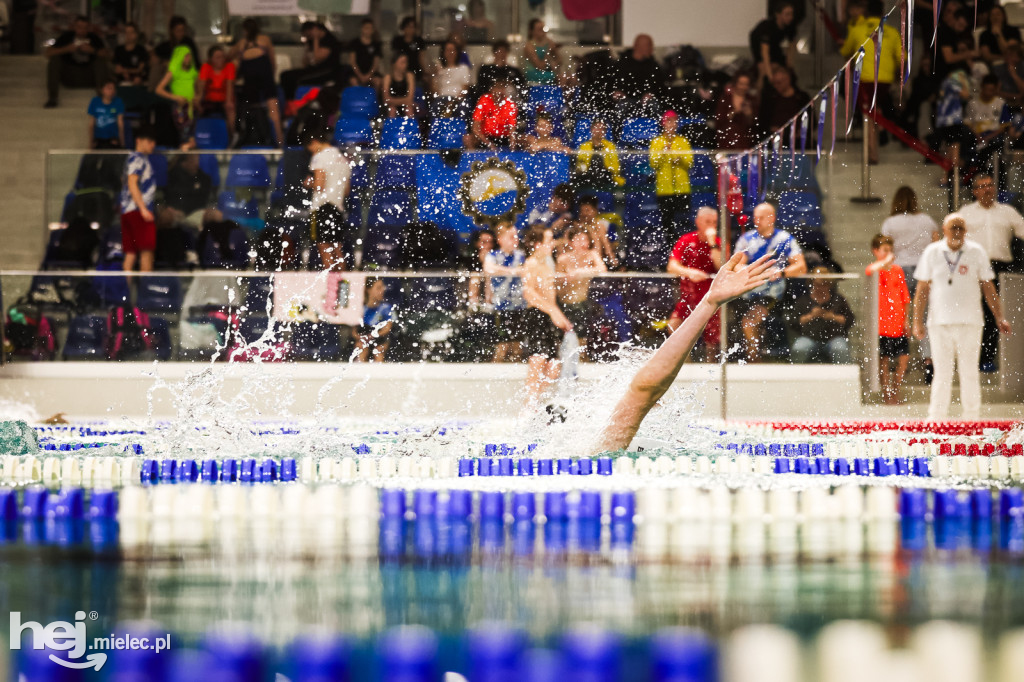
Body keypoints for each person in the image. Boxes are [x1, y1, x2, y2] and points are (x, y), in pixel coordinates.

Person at [593, 252, 779, 452]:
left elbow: (644, 390)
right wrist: (709, 304)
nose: (661, 399)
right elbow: (645, 388)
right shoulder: (607, 446)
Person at [912, 214, 1012, 419]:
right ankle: (937, 417)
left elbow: (988, 287)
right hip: (939, 322)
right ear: (944, 230)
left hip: (970, 321)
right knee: (942, 372)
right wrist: (916, 320)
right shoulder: (932, 252)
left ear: (966, 231)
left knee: (969, 371)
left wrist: (999, 316)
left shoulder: (977, 251)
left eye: (960, 228)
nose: (957, 232)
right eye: (953, 228)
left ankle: (972, 416)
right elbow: (922, 288)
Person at [957, 174, 1024, 371]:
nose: (987, 189)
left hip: (999, 267)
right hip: (973, 268)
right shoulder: (966, 212)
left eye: (990, 185)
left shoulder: (1008, 211)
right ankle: (971, 357)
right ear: (975, 191)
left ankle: (986, 358)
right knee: (973, 311)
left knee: (994, 313)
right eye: (982, 186)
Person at [734, 202, 808, 363]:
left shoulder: (785, 239)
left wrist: (781, 272)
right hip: (746, 292)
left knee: (750, 322)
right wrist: (754, 270)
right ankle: (754, 358)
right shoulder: (746, 239)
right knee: (747, 324)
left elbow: (801, 267)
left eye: (761, 218)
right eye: (755, 218)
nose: (757, 221)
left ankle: (754, 360)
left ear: (772, 218)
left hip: (773, 295)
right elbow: (736, 265)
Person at [840, 0, 903, 163]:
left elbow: (845, 51)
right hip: (884, 81)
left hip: (865, 79)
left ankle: (872, 153)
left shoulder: (857, 30)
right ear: (883, 13)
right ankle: (878, 134)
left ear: (867, 13)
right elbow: (902, 58)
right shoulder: (892, 32)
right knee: (874, 112)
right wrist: (896, 76)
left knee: (868, 115)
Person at [521, 226, 574, 408]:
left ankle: (535, 403)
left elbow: (549, 295)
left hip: (549, 314)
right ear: (537, 245)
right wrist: (552, 312)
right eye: (549, 240)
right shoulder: (531, 263)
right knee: (538, 361)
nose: (552, 244)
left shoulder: (547, 261)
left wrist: (558, 314)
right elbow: (528, 293)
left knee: (553, 365)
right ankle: (529, 406)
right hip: (537, 314)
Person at [666, 207, 722, 362]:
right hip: (688, 298)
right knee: (673, 326)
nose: (711, 226)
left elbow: (721, 266)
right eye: (708, 222)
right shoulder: (686, 240)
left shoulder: (719, 243)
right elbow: (672, 267)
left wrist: (712, 244)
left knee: (712, 342)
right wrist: (689, 272)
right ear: (698, 222)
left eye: (714, 223)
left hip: (711, 301)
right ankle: (685, 365)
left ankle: (712, 370)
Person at [866, 234, 912, 404]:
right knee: (883, 359)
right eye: (885, 250)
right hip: (881, 324)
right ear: (876, 251)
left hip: (897, 321)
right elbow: (870, 271)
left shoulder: (897, 270)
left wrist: (906, 320)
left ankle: (895, 389)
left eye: (890, 250)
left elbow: (905, 297)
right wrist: (885, 262)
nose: (889, 254)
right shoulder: (874, 269)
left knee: (904, 357)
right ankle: (886, 392)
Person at [302, 126, 352, 271]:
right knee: (337, 250)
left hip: (322, 208)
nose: (311, 151)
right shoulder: (343, 159)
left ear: (314, 142)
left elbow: (319, 185)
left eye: (310, 147)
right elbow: (346, 191)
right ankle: (343, 286)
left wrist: (308, 183)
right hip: (337, 209)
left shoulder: (319, 157)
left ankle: (331, 289)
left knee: (325, 251)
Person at [232, 17, 283, 147]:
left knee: (251, 108)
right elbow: (272, 62)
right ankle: (280, 142)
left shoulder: (242, 44)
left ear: (244, 30)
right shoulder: (265, 40)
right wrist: (270, 78)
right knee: (273, 109)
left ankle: (248, 138)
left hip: (250, 76)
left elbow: (228, 57)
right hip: (264, 73)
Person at [557, 224, 606, 351]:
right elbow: (557, 283)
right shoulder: (564, 259)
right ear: (571, 242)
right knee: (565, 342)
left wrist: (580, 272)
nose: (583, 243)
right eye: (579, 240)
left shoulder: (591, 255)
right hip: (565, 303)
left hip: (582, 303)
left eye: (585, 239)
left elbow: (602, 269)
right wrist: (567, 279)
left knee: (582, 341)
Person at [791, 267, 854, 364]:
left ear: (829, 285)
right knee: (799, 348)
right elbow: (794, 322)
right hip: (809, 337)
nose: (821, 288)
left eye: (824, 284)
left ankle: (844, 377)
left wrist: (831, 316)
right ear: (812, 284)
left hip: (834, 338)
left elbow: (849, 320)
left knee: (840, 349)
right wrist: (811, 316)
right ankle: (795, 376)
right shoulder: (804, 300)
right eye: (817, 284)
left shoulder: (838, 299)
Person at [483, 222, 527, 362]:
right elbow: (488, 269)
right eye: (511, 237)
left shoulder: (521, 255)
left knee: (517, 347)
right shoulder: (493, 256)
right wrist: (512, 272)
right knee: (501, 346)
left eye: (516, 236)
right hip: (500, 307)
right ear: (500, 239)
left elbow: (528, 270)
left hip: (519, 306)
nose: (515, 240)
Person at [44, 15, 109, 108]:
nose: (81, 31)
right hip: (70, 75)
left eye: (85, 28)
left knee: (100, 60)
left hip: (90, 76)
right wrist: (66, 49)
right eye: (79, 27)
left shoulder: (94, 38)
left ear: (88, 28)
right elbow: (48, 53)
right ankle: (52, 98)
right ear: (74, 27)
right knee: (55, 59)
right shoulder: (66, 37)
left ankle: (102, 96)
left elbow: (108, 55)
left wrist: (93, 51)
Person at [119, 127, 158, 274]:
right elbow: (132, 182)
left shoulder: (131, 159)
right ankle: (144, 294)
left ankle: (126, 292)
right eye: (149, 141)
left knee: (130, 254)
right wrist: (142, 208)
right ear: (139, 141)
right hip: (138, 211)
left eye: (153, 142)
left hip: (128, 211)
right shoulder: (137, 158)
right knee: (146, 253)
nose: (152, 145)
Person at [649, 110, 694, 236]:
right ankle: (670, 249)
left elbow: (690, 162)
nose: (672, 124)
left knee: (683, 222)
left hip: (682, 188)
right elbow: (654, 163)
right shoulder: (657, 142)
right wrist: (663, 153)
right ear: (663, 123)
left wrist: (678, 158)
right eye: (669, 121)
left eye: (675, 121)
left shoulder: (683, 141)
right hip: (664, 189)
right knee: (667, 223)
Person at [280, 21, 344, 102]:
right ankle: (287, 102)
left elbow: (317, 58)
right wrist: (307, 46)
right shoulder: (311, 42)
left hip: (327, 71)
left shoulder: (329, 40)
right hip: (313, 69)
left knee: (298, 80)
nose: (308, 37)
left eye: (309, 34)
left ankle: (295, 103)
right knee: (285, 75)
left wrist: (316, 39)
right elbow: (305, 63)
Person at [155, 45, 199, 149]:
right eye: (185, 56)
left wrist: (197, 97)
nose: (188, 58)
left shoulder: (193, 72)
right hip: (180, 108)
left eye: (189, 56)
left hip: (192, 107)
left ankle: (189, 160)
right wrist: (176, 98)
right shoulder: (173, 70)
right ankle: (182, 158)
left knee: (193, 136)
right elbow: (158, 89)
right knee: (184, 135)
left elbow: (197, 90)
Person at [759, 65, 811, 140]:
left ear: (788, 80)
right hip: (774, 140)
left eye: (779, 83)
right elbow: (762, 121)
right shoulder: (770, 98)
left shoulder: (802, 98)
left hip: (798, 140)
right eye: (774, 83)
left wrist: (801, 131)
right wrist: (770, 130)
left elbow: (811, 121)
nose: (776, 86)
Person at [613, 34, 667, 106]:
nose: (652, 48)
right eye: (648, 45)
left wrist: (651, 93)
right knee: (621, 106)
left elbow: (660, 86)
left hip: (647, 100)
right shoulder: (622, 63)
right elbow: (612, 83)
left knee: (654, 105)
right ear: (638, 46)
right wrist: (617, 92)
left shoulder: (653, 65)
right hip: (626, 99)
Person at [749, 0, 796, 83]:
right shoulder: (767, 27)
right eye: (787, 14)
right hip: (759, 47)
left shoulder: (791, 26)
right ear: (778, 15)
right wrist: (769, 76)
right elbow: (764, 52)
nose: (790, 17)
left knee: (784, 70)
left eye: (791, 14)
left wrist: (789, 65)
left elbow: (791, 46)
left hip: (774, 46)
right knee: (764, 70)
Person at [574, 120, 625, 192]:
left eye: (602, 128)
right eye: (596, 128)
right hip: (588, 176)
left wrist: (607, 169)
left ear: (605, 131)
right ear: (591, 129)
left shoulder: (610, 146)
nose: (599, 131)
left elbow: (615, 167)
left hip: (606, 176)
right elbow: (580, 164)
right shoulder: (584, 146)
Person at [466, 79, 519, 150]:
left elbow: (512, 129)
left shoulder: (510, 104)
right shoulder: (484, 100)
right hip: (486, 137)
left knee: (527, 139)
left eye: (502, 88)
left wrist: (512, 146)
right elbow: (475, 128)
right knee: (467, 138)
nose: (499, 91)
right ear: (491, 89)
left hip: (504, 138)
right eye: (497, 88)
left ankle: (518, 159)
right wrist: (489, 144)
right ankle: (473, 159)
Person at [197, 45, 236, 133]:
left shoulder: (229, 66)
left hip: (224, 99)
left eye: (222, 57)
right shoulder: (206, 67)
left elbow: (230, 85)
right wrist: (198, 100)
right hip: (209, 100)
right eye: (217, 57)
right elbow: (201, 86)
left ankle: (232, 134)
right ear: (210, 59)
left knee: (230, 108)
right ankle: (200, 133)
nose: (221, 60)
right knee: (196, 105)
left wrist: (228, 101)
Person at [353, 277, 393, 362]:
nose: (382, 291)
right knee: (361, 347)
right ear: (368, 290)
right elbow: (353, 330)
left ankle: (380, 373)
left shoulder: (386, 308)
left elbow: (387, 328)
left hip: (380, 337)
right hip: (364, 336)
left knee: (378, 351)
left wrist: (372, 336)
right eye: (378, 288)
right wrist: (361, 337)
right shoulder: (360, 308)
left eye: (383, 288)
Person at [715, 72, 758, 150]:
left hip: (745, 141)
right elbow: (719, 120)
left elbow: (755, 125)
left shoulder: (752, 100)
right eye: (741, 84)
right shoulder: (725, 98)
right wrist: (734, 112)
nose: (743, 87)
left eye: (746, 84)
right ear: (735, 84)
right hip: (726, 139)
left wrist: (749, 115)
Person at [575, 195, 619, 269]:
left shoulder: (602, 225)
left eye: (587, 210)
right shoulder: (575, 227)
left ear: (595, 211)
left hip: (599, 260)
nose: (584, 214)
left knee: (598, 233)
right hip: (579, 262)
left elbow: (609, 246)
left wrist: (612, 259)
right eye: (582, 211)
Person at [432, 39, 472, 114]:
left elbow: (465, 88)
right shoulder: (439, 69)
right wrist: (435, 76)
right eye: (448, 50)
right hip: (442, 98)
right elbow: (434, 91)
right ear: (443, 53)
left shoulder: (463, 68)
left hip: (458, 99)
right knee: (435, 106)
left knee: (462, 107)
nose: (450, 53)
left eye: (453, 50)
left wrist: (454, 102)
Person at [87, 79, 125, 149]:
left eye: (113, 88)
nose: (111, 91)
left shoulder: (118, 102)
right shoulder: (95, 101)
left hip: (113, 140)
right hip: (98, 140)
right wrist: (91, 142)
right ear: (102, 90)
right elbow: (91, 124)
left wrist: (122, 143)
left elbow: (120, 123)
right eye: (108, 88)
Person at [465, 228, 496, 307]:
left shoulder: (498, 258)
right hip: (472, 293)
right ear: (477, 243)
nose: (487, 246)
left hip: (494, 294)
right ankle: (473, 305)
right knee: (475, 277)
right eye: (484, 242)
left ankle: (489, 304)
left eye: (490, 242)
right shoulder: (470, 259)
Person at [391, 17, 428, 83]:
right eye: (408, 27)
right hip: (401, 70)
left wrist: (424, 72)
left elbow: (421, 58)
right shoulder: (397, 40)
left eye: (413, 27)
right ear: (403, 28)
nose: (410, 29)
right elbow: (394, 58)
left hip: (415, 69)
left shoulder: (419, 41)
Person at [524, 19, 560, 86]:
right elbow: (540, 67)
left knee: (571, 78)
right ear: (532, 31)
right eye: (539, 29)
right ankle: (559, 95)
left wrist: (554, 62)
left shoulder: (548, 42)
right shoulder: (529, 46)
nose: (543, 32)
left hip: (547, 71)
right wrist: (548, 51)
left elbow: (559, 60)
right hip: (534, 73)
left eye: (543, 29)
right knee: (561, 78)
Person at [349, 18, 382, 90]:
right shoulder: (354, 43)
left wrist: (369, 75)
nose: (368, 30)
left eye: (371, 28)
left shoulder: (376, 45)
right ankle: (358, 100)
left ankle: (373, 100)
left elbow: (376, 64)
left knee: (378, 82)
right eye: (366, 28)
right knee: (353, 81)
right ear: (362, 29)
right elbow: (353, 62)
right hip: (357, 72)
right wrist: (360, 75)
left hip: (371, 73)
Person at [112, 22, 149, 87]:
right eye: (126, 32)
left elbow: (140, 69)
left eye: (131, 32)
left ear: (136, 34)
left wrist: (127, 71)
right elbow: (117, 69)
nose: (128, 35)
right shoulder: (119, 49)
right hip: (121, 79)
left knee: (137, 80)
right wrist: (124, 73)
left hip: (137, 79)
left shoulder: (141, 50)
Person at [382, 53, 416, 118]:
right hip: (391, 106)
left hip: (405, 106)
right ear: (394, 64)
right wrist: (405, 101)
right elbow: (386, 99)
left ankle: (410, 128)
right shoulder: (387, 78)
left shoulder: (409, 76)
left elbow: (410, 99)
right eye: (402, 62)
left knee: (409, 109)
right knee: (392, 109)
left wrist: (393, 101)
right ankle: (391, 128)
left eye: (406, 62)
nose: (405, 65)